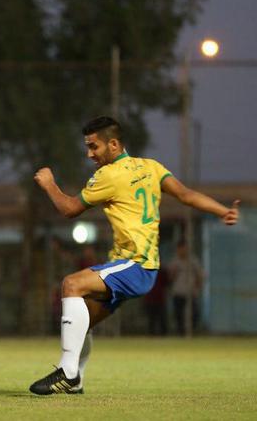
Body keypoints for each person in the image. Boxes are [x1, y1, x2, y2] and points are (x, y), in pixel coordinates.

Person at [29, 116, 240, 395]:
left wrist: (49, 184)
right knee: (83, 320)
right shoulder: (150, 167)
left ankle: (67, 373)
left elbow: (68, 209)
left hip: (134, 264)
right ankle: (76, 378)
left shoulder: (109, 175)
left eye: (94, 146)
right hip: (141, 266)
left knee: (71, 285)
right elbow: (187, 195)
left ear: (113, 144)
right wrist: (222, 211)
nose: (89, 154)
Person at [168, 240, 204, 335]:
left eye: (184, 248)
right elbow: (170, 278)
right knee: (178, 314)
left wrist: (197, 287)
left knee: (194, 313)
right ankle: (181, 333)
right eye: (180, 249)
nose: (182, 251)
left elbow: (199, 276)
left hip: (190, 292)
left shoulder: (193, 261)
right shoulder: (175, 261)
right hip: (178, 292)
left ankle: (192, 331)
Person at [143, 267, 169, 336]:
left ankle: (163, 334)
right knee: (151, 318)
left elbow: (166, 283)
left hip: (160, 298)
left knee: (162, 318)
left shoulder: (162, 271)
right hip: (150, 298)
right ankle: (151, 334)